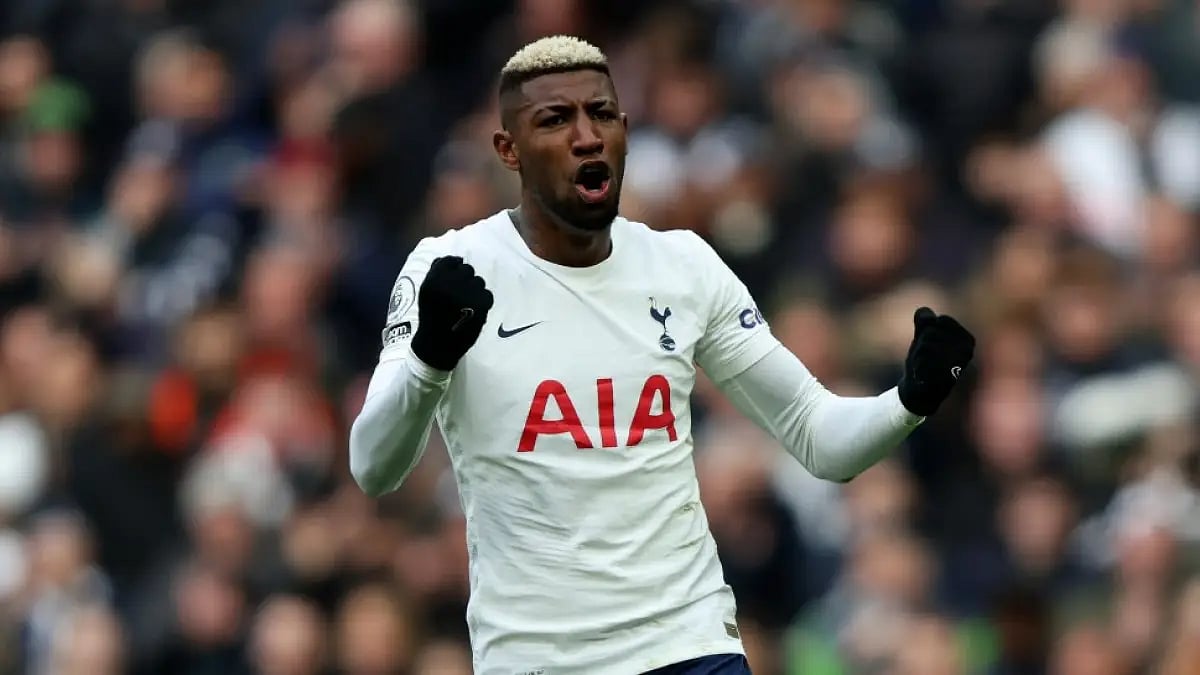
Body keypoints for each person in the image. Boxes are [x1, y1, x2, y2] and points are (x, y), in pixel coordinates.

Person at [348, 35, 975, 675]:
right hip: (540, 660)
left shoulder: (683, 266)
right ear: (509, 150)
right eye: (555, 120)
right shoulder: (448, 269)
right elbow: (374, 466)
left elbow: (819, 438)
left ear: (624, 129)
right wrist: (429, 360)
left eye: (601, 114)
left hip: (690, 646)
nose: (586, 136)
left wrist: (909, 400)